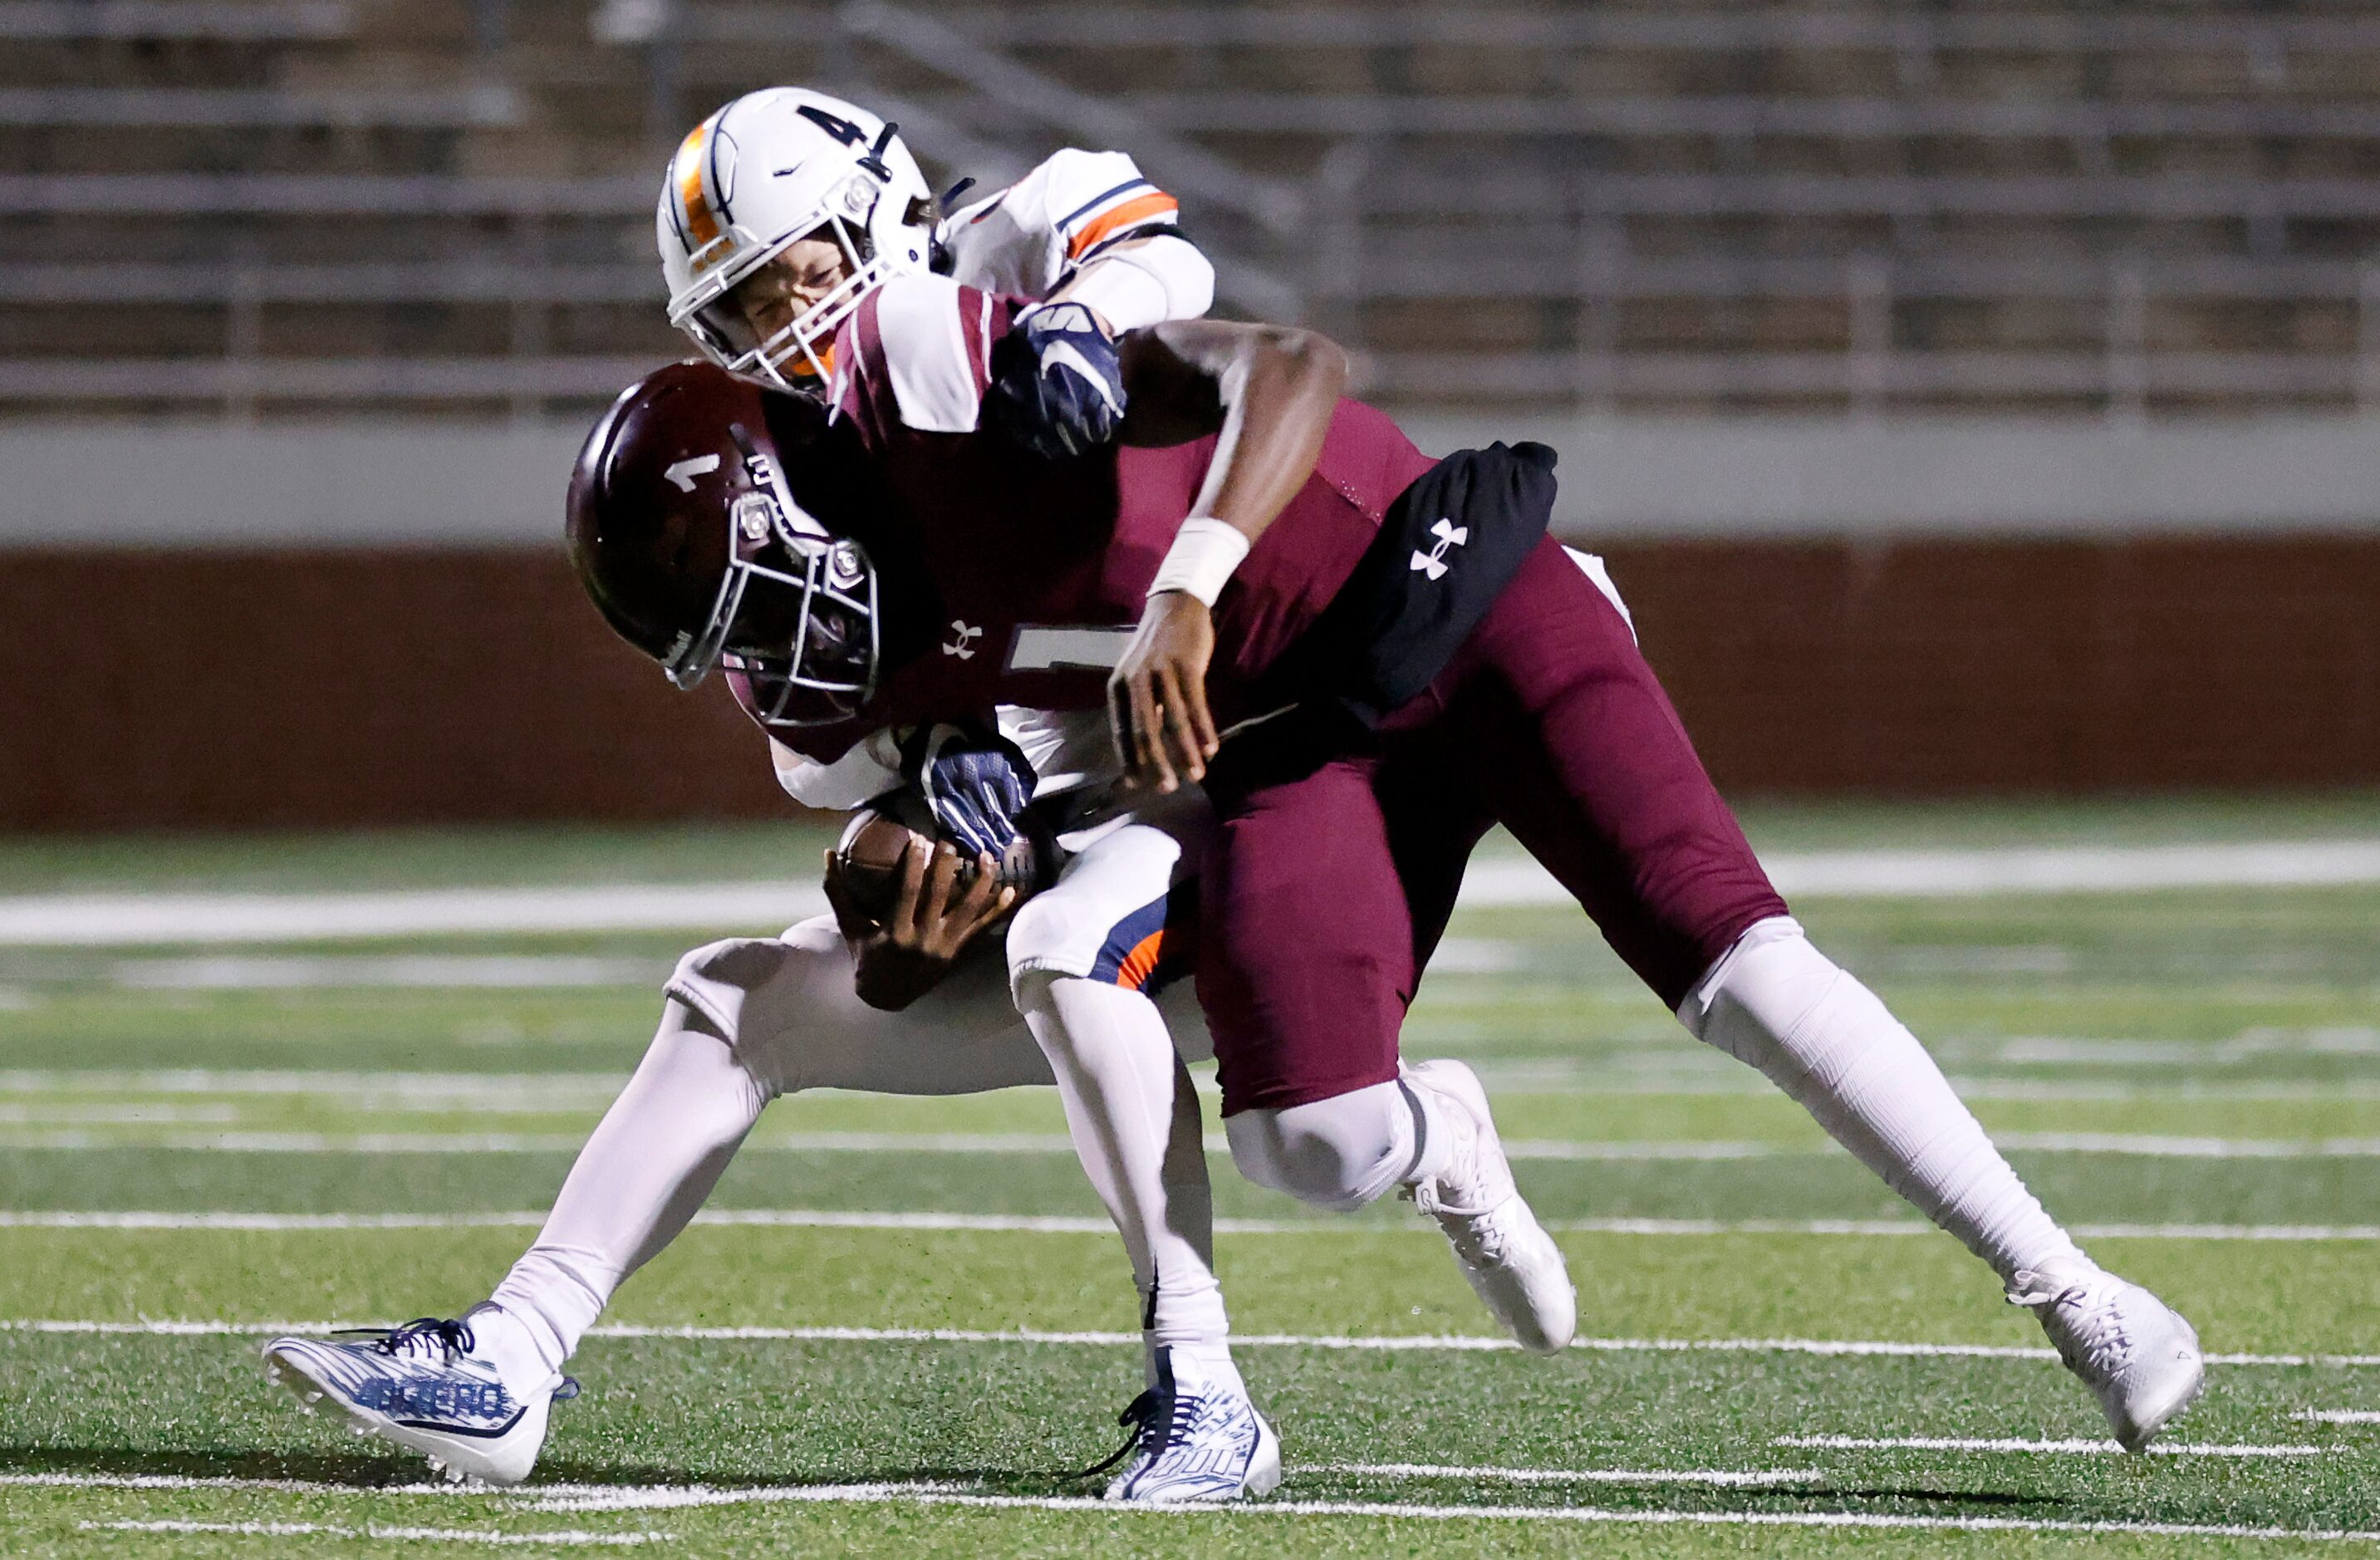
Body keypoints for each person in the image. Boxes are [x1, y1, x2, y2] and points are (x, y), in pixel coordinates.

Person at [564, 270, 2207, 1455]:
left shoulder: (979, 346)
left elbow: (1285, 357)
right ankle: (1445, 1136)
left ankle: (2073, 1293)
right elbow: (1002, 800)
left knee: (1731, 959)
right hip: (1295, 747)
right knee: (1311, 1150)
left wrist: (1194, 578)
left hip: (1460, 598)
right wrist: (929, 890)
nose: (773, 652)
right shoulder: (885, 660)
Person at [258, 89, 1287, 1504]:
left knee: (1083, 950)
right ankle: (510, 1354)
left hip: (1264, 810)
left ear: (885, 213)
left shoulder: (1000, 270)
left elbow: (1152, 248)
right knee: (738, 996)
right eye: (738, 316)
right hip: (1112, 864)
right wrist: (906, 894)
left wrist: (1080, 320)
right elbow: (880, 813)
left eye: (795, 275)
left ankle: (1209, 1389)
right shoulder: (806, 513)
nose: (781, 335)